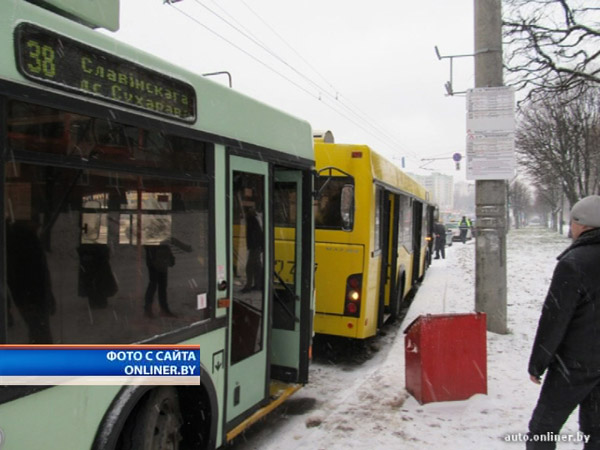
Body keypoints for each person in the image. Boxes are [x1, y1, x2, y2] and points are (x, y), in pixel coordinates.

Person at [527, 195, 600, 449]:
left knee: (542, 430)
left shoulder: (573, 264)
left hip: (574, 364)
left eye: (572, 223)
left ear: (582, 224)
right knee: (595, 430)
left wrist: (538, 363)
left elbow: (555, 319)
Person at [144, 241, 176, 318]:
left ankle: (161, 309)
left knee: (159, 285)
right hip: (157, 260)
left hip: (160, 259)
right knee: (155, 285)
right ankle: (152, 309)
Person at [241, 206, 264, 293]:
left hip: (255, 247)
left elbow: (257, 234)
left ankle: (248, 286)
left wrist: (254, 246)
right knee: (257, 266)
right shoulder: (254, 219)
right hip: (256, 246)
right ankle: (258, 284)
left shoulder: (251, 219)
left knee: (249, 267)